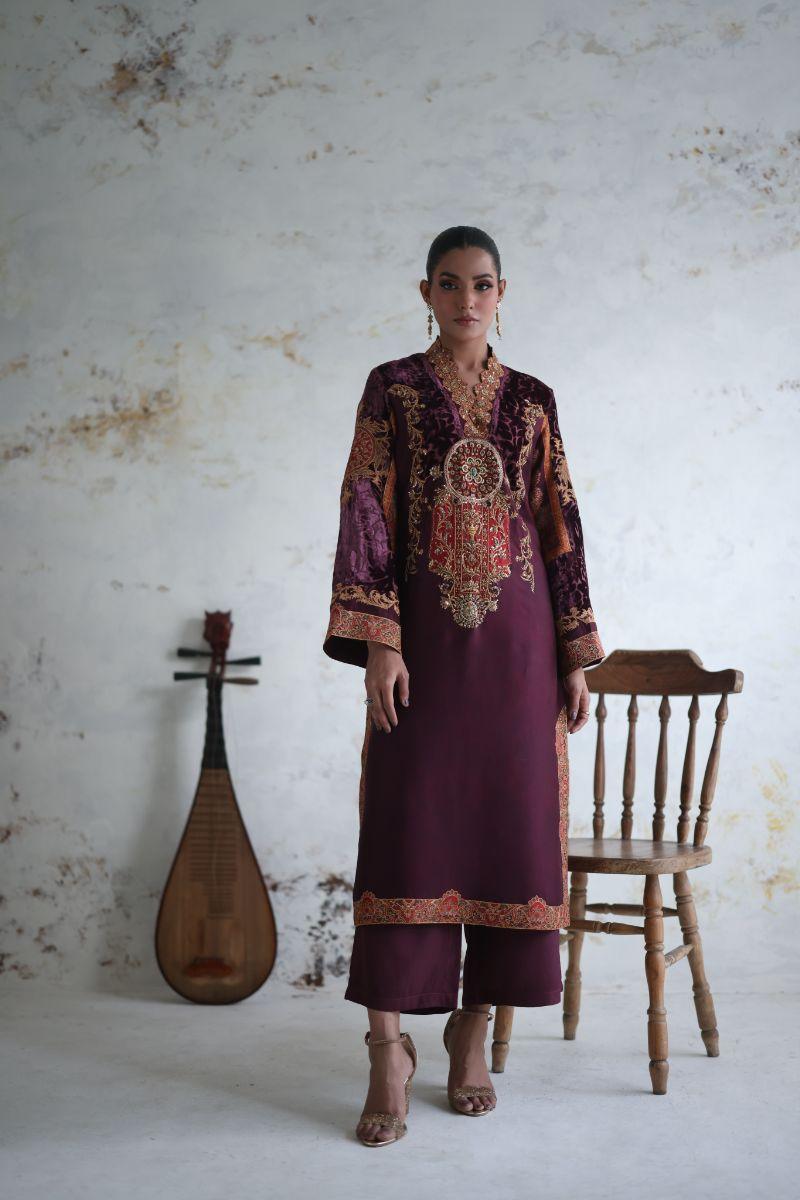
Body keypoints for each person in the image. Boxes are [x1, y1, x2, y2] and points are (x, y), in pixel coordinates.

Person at [322, 226, 604, 1146]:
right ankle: (386, 1049)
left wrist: (573, 652)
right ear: (426, 292)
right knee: (406, 830)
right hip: (423, 648)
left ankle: (471, 1032)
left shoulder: (533, 401)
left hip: (519, 655)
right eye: (449, 284)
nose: (467, 299)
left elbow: (558, 523)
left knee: (508, 834)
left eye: (482, 284)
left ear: (502, 292)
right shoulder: (393, 388)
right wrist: (379, 641)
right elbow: (366, 507)